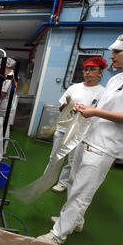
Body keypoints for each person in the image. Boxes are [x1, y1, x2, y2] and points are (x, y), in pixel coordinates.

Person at [38, 31, 123, 244]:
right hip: (89, 138)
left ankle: (57, 235)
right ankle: (74, 221)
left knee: (82, 190)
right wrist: (86, 108)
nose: (111, 56)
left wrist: (95, 113)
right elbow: (103, 107)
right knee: (76, 184)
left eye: (117, 52)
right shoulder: (116, 79)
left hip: (105, 146)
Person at [50, 57, 107, 193]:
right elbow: (61, 108)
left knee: (73, 160)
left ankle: (63, 182)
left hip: (81, 131)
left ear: (100, 72)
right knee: (55, 156)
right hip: (64, 127)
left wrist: (85, 109)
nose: (88, 72)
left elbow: (99, 113)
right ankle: (49, 178)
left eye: (92, 69)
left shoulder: (102, 92)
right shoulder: (74, 88)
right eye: (86, 69)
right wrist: (67, 106)